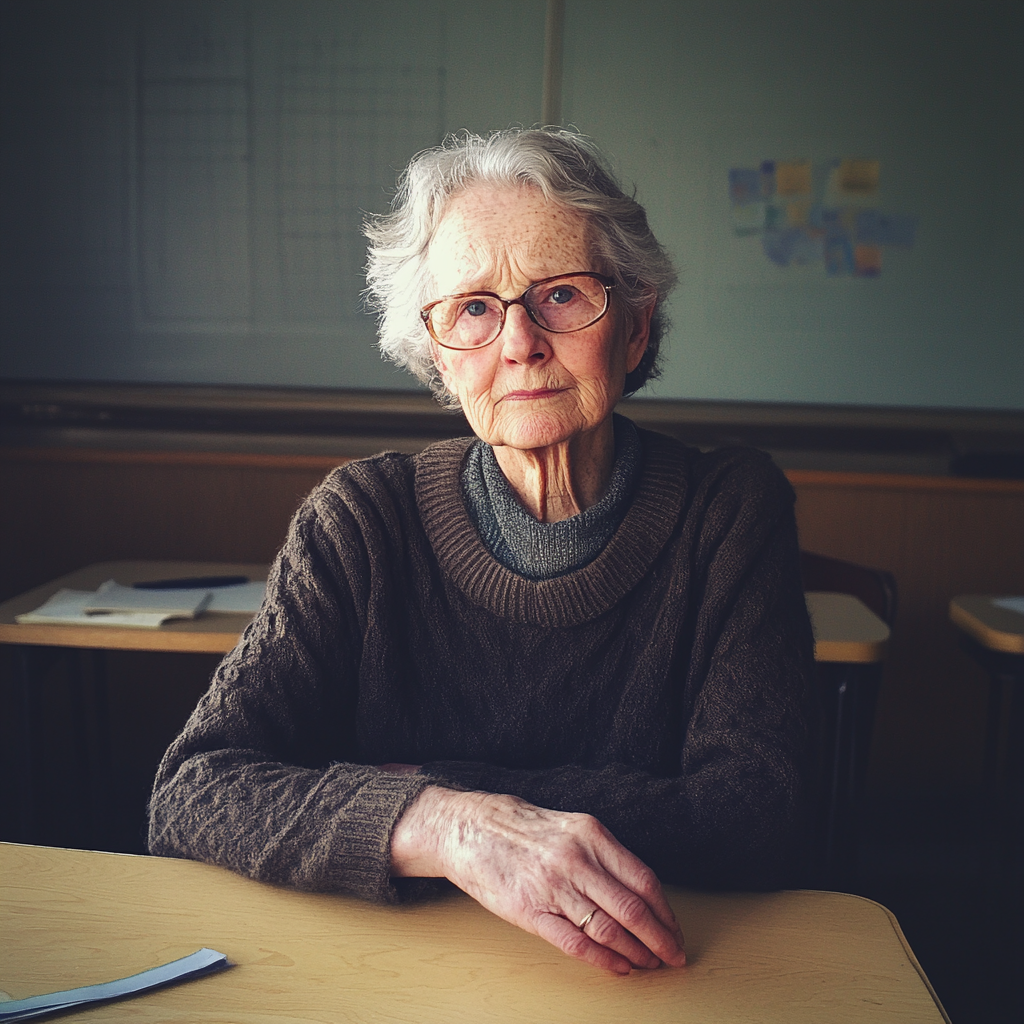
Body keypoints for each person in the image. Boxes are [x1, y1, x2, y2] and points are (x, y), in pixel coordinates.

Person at [148, 128, 817, 975]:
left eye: (563, 296)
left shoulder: (729, 511)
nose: (520, 343)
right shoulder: (358, 519)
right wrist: (442, 824)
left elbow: (758, 814)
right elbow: (195, 791)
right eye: (473, 308)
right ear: (436, 355)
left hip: (645, 973)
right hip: (389, 972)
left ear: (637, 328)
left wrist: (454, 788)